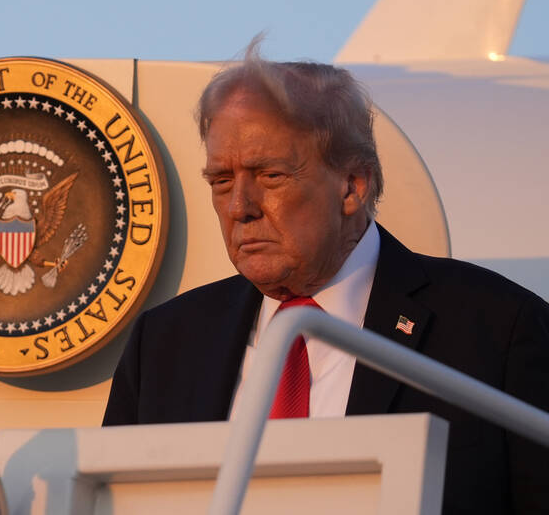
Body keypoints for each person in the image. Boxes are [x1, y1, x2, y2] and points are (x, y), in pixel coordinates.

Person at [102, 41, 549, 514]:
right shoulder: (166, 342)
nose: (239, 208)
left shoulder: (499, 331)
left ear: (354, 185)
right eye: (221, 181)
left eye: (270, 175)